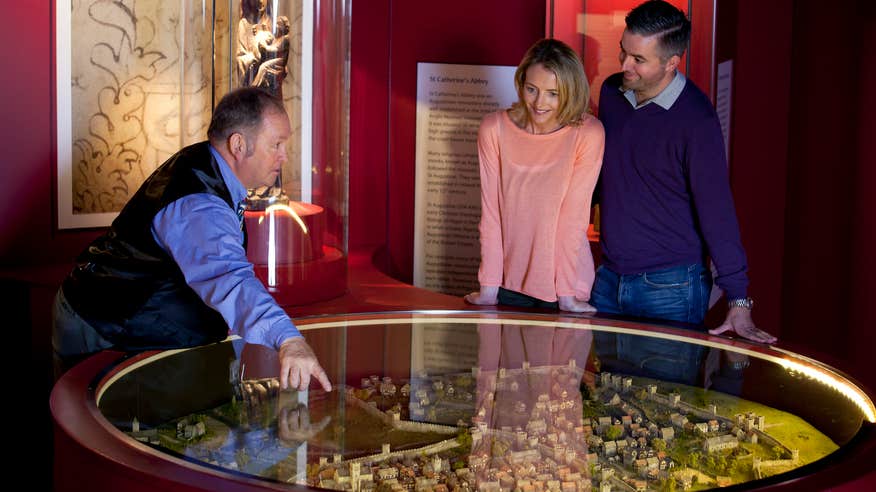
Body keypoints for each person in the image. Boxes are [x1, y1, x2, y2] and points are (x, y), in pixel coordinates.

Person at [52, 87, 332, 393]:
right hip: (101, 325)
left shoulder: (205, 162)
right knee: (103, 427)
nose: (284, 156)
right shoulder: (199, 204)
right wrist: (288, 338)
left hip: (125, 318)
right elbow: (229, 279)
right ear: (238, 144)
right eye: (276, 144)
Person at [591, 0, 775, 383]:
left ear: (672, 62)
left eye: (638, 59)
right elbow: (598, 177)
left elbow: (718, 213)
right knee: (606, 408)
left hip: (670, 289)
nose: (624, 64)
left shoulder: (697, 120)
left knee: (660, 416)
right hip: (607, 280)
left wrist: (738, 297)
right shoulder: (612, 93)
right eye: (623, 51)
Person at [464, 38, 604, 312]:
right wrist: (489, 288)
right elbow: (492, 214)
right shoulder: (493, 129)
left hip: (567, 287)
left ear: (571, 91)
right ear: (521, 83)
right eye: (532, 89)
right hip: (508, 284)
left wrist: (566, 295)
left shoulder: (588, 133)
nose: (540, 103)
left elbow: (574, 218)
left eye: (554, 93)